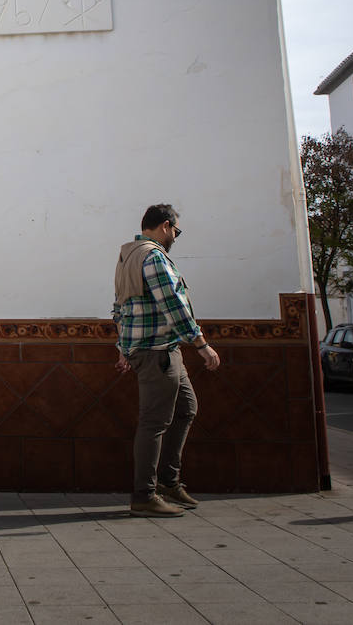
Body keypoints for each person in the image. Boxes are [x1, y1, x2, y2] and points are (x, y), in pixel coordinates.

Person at [112, 203, 220, 517]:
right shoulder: (154, 256)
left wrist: (122, 345)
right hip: (157, 351)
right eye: (176, 230)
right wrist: (202, 345)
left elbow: (120, 306)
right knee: (154, 423)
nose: (175, 236)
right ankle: (144, 494)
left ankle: (167, 482)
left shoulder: (127, 254)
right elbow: (174, 305)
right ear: (165, 226)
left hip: (158, 349)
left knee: (187, 408)